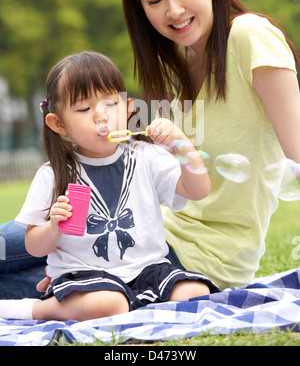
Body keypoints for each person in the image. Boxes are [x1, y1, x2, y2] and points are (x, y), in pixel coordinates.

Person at [120, 0, 300, 290]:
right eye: (154, 0)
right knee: (31, 244)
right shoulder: (177, 67)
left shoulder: (251, 36)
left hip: (203, 260)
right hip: (152, 232)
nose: (172, 10)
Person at [0, 51, 217, 321]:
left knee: (196, 292)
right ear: (59, 124)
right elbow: (34, 247)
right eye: (83, 109)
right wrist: (54, 227)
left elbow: (199, 190)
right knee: (110, 304)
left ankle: (136, 307)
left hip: (147, 269)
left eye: (111, 104)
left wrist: (180, 143)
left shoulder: (147, 157)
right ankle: (34, 309)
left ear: (128, 109)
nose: (101, 117)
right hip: (87, 277)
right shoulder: (54, 175)